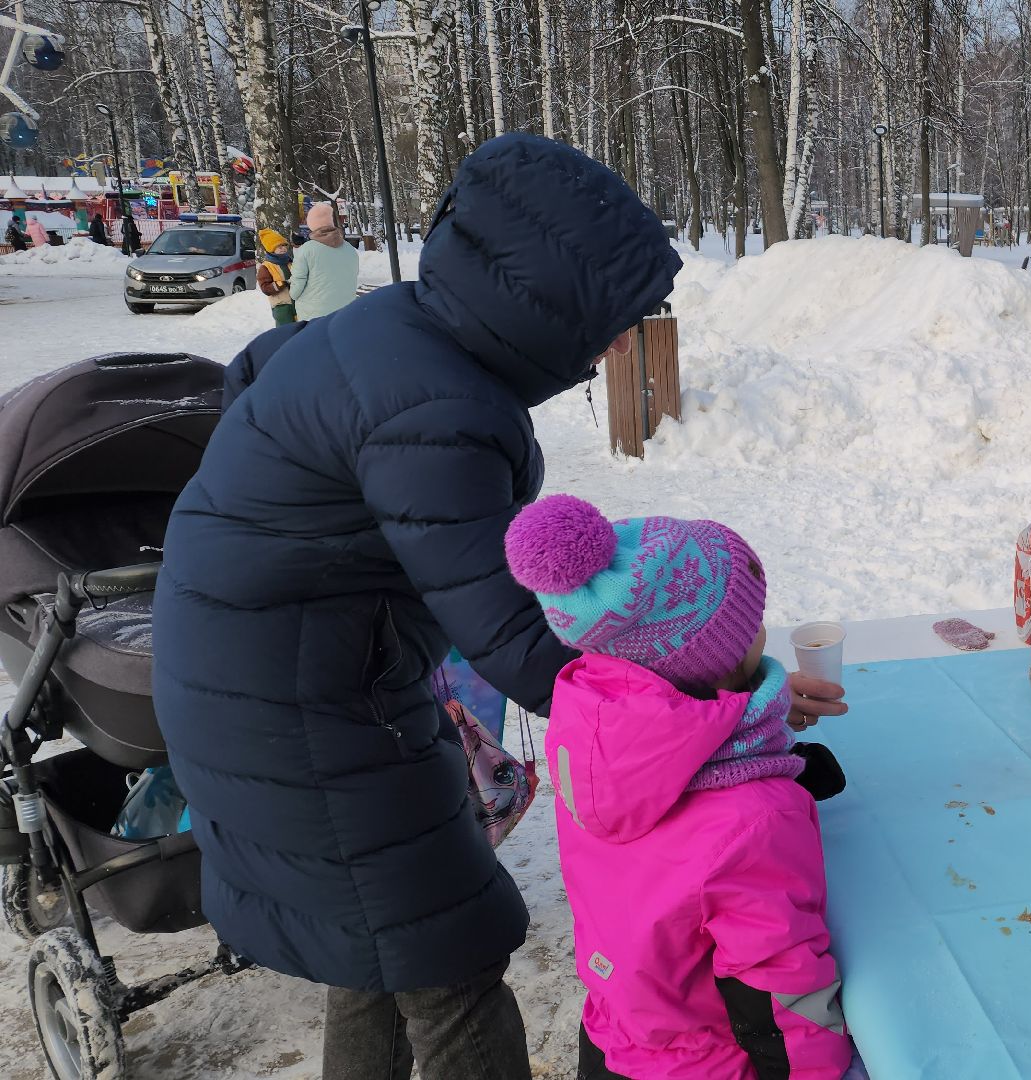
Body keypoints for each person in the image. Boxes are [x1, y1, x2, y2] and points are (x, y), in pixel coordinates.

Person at [152, 134, 846, 1079]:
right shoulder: (430, 404)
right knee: (445, 957)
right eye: (610, 320)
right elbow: (522, 641)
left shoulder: (405, 333)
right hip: (299, 712)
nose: (612, 347)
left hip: (284, 687)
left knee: (379, 948)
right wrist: (724, 701)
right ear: (547, 299)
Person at [503, 496, 854, 1080]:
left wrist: (767, 736)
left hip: (622, 1031)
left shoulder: (590, 735)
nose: (763, 628)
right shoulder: (756, 821)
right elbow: (781, 989)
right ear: (718, 656)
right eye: (752, 620)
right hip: (711, 1061)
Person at [288, 201, 361, 320]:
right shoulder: (349, 249)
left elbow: (296, 290)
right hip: (345, 312)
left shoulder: (306, 250)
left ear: (312, 225)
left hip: (314, 315)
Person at [256, 227, 297, 326]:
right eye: (279, 247)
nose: (283, 248)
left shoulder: (290, 261)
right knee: (285, 331)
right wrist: (282, 283)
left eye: (284, 245)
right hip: (281, 306)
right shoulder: (266, 267)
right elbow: (265, 288)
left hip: (297, 302)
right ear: (271, 249)